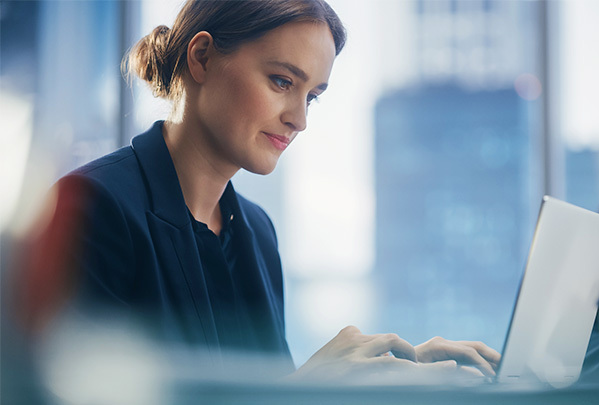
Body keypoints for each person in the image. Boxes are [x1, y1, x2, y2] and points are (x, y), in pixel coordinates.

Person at [15, 0, 499, 383]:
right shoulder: (91, 207)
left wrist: (403, 370)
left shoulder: (256, 234)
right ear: (202, 57)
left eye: (311, 96)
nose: (300, 119)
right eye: (282, 81)